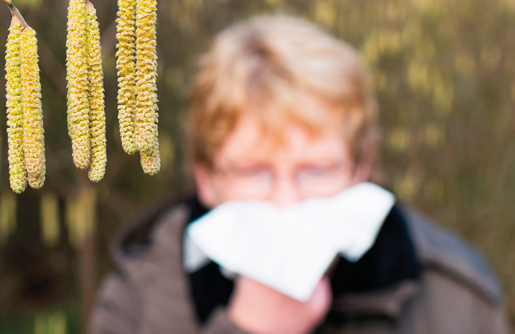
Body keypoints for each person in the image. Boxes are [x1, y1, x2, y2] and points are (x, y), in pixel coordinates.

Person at [89, 16, 511, 334]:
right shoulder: (138, 299)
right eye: (255, 172)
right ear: (207, 179)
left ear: (360, 168)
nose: (286, 202)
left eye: (316, 171)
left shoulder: (455, 295)